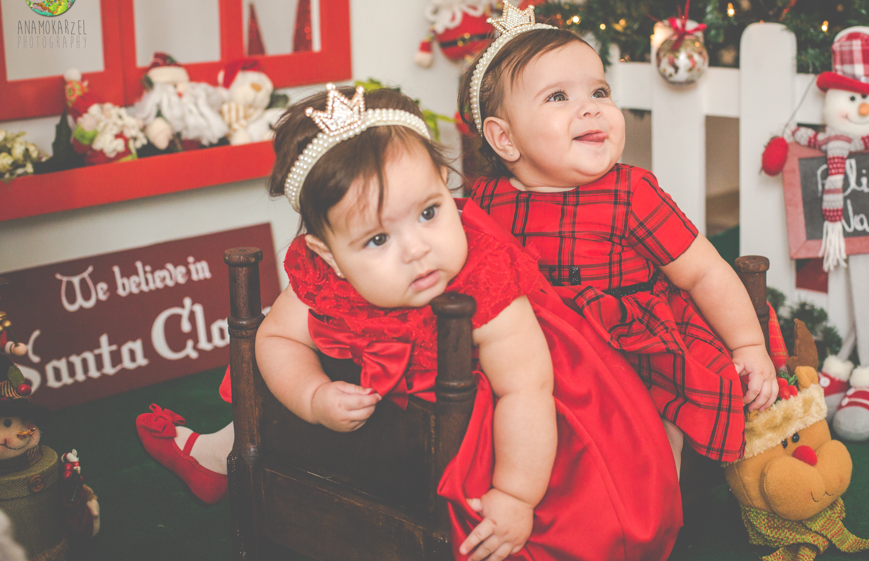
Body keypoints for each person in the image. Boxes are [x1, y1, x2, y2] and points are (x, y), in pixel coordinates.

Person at [139, 85, 681, 560]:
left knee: (566, 518)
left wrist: (516, 496)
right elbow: (276, 337)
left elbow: (527, 389)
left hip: (523, 416)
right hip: (393, 420)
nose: (418, 250)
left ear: (448, 191)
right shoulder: (325, 275)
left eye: (429, 212)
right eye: (377, 240)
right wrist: (314, 397)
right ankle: (231, 456)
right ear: (327, 255)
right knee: (302, 389)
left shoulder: (483, 277)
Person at [461, 1, 779, 469]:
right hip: (541, 355)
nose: (591, 107)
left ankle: (656, 498)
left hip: (631, 347)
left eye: (600, 91)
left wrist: (748, 346)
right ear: (504, 138)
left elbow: (704, 272)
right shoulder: (485, 203)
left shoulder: (630, 193)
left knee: (653, 425)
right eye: (557, 97)